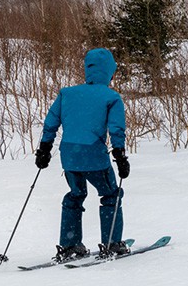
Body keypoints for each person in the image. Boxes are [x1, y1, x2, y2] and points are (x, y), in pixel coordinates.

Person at [34, 47, 131, 262]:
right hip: (93, 155)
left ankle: (70, 245)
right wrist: (120, 156)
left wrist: (44, 150)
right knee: (111, 195)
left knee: (75, 195)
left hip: (69, 155)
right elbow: (116, 129)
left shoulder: (67, 94)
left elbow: (50, 123)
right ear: (109, 72)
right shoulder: (111, 97)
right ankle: (112, 243)